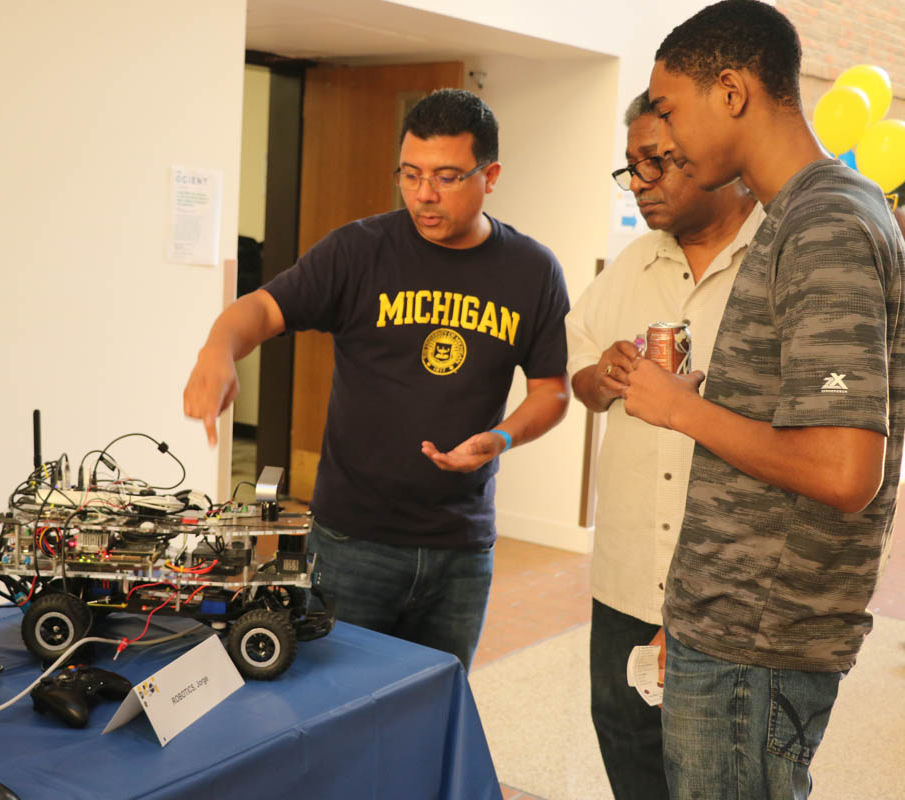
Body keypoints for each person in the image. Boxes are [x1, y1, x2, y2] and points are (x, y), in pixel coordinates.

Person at [183, 88, 571, 671]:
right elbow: (260, 311)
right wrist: (218, 348)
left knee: (434, 706)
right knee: (334, 710)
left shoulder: (532, 271)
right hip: (352, 543)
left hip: (461, 549)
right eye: (410, 174)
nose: (423, 194)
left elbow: (551, 391)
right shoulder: (359, 251)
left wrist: (503, 438)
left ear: (490, 175)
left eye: (446, 177)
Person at [622, 1, 905, 797]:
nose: (665, 139)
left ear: (734, 92)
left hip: (761, 641)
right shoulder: (801, 216)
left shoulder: (825, 223)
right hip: (735, 628)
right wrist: (693, 614)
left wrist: (680, 408)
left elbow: (846, 469)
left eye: (670, 109)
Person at [565, 89, 761, 800]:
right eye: (632, 167)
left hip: (728, 592)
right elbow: (578, 377)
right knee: (628, 750)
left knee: (725, 774)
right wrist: (604, 374)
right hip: (626, 580)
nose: (643, 183)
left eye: (661, 163)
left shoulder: (777, 262)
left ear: (716, 153)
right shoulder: (633, 264)